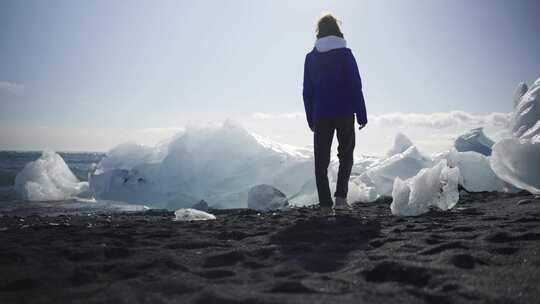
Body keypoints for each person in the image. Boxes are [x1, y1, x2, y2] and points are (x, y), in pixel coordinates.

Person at [303, 14, 368, 210]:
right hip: (345, 111)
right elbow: (355, 85)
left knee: (321, 159)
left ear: (319, 32)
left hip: (321, 113)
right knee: (346, 155)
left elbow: (307, 91)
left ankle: (324, 205)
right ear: (337, 30)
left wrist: (310, 118)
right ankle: (340, 199)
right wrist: (362, 114)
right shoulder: (346, 54)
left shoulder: (311, 57)